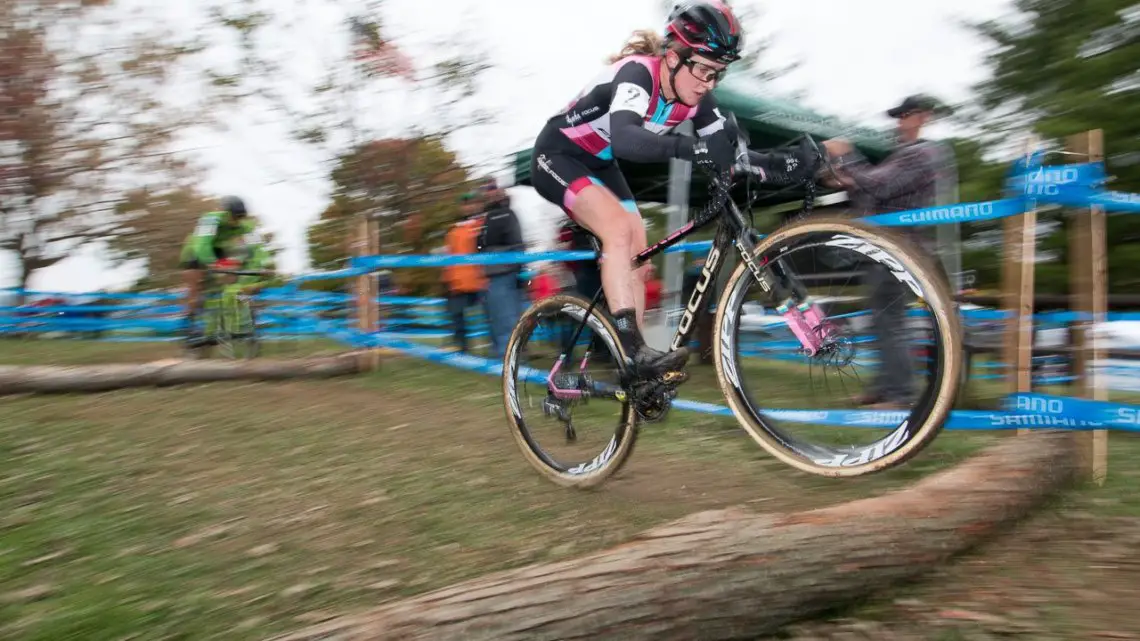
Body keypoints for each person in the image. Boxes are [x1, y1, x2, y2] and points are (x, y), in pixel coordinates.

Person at [529, 1, 815, 378]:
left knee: (639, 254)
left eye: (718, 74)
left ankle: (631, 357)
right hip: (558, 153)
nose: (707, 83)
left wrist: (784, 164)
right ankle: (634, 354)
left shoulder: (697, 98)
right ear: (673, 55)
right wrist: (693, 147)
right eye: (702, 69)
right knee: (617, 228)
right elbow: (629, 140)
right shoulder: (638, 74)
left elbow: (731, 155)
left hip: (599, 163)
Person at [822, 94, 949, 409]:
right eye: (898, 115)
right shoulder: (904, 154)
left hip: (902, 250)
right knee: (882, 319)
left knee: (891, 322)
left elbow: (880, 186)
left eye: (905, 115)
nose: (899, 122)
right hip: (888, 249)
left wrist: (848, 155)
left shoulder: (922, 153)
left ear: (922, 117)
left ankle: (900, 394)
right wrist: (847, 180)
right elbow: (875, 192)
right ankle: (883, 388)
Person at [178, 196, 260, 345]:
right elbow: (202, 246)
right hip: (194, 253)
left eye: (240, 217)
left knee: (235, 280)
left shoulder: (246, 225)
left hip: (218, 251)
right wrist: (214, 265)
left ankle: (238, 313)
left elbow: (256, 247)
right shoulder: (210, 220)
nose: (237, 221)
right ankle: (190, 327)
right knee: (195, 288)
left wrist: (262, 265)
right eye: (234, 216)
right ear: (224, 212)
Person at [476, 178, 527, 359]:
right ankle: (504, 356)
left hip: (503, 272)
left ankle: (511, 359)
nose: (487, 192)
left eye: (490, 188)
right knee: (499, 318)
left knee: (506, 319)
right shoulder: (488, 217)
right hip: (494, 273)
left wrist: (518, 269)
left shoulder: (503, 214)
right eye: (484, 189)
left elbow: (515, 243)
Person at [442, 192, 488, 354]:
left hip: (480, 281)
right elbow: (449, 256)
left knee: (490, 316)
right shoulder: (453, 231)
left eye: (470, 203)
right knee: (457, 319)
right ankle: (463, 350)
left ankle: (499, 348)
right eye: (465, 204)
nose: (468, 207)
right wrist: (448, 280)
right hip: (458, 283)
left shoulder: (481, 225)